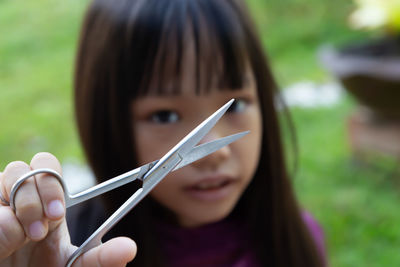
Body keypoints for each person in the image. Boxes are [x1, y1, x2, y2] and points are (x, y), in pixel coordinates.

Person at [0, 0, 327, 266]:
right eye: (165, 115)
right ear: (109, 125)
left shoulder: (294, 240)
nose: (215, 151)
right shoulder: (72, 250)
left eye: (235, 106)